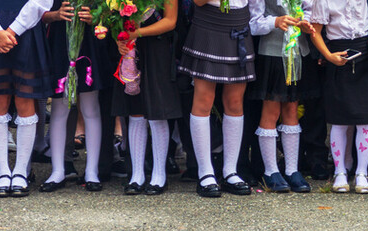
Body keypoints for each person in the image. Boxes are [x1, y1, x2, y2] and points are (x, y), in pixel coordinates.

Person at [180, 0, 263, 197]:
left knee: (235, 102)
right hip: (209, 23)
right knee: (203, 101)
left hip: (240, 24)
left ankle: (230, 171)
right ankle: (205, 172)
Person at [0, 0, 53, 198]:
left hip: (27, 30)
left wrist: (14, 30)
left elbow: (42, 2)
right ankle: (2, 172)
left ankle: (20, 172)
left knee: (25, 100)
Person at [309, 0, 368, 194]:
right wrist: (329, 56)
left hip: (365, 56)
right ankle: (340, 172)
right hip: (337, 55)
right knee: (338, 120)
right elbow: (315, 31)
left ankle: (362, 173)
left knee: (365, 120)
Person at [112, 0, 180, 196]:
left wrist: (136, 33)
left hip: (158, 47)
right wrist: (120, 39)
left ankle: (159, 174)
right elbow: (114, 17)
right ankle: (137, 174)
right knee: (135, 109)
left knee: (158, 109)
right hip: (131, 48)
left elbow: (170, 21)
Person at [247, 0, 315, 193]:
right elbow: (254, 23)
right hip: (272, 51)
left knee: (292, 108)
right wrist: (275, 21)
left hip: (298, 51)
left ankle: (292, 170)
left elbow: (309, 10)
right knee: (271, 109)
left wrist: (304, 22)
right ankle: (270, 171)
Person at [38, 0, 103, 193]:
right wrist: (56, 15)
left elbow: (109, 13)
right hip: (59, 40)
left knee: (91, 108)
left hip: (90, 42)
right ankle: (57, 170)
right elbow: (37, 12)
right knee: (59, 108)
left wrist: (96, 17)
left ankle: (92, 171)